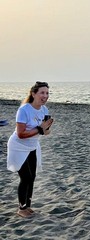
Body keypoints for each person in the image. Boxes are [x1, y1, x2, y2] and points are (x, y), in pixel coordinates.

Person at [7, 81, 53, 218]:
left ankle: (28, 205)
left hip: (32, 146)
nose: (45, 96)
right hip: (18, 147)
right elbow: (21, 134)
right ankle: (21, 208)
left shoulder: (45, 110)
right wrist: (40, 129)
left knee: (32, 177)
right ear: (34, 94)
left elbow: (44, 132)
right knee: (25, 177)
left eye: (47, 93)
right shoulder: (24, 110)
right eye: (42, 93)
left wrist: (46, 129)